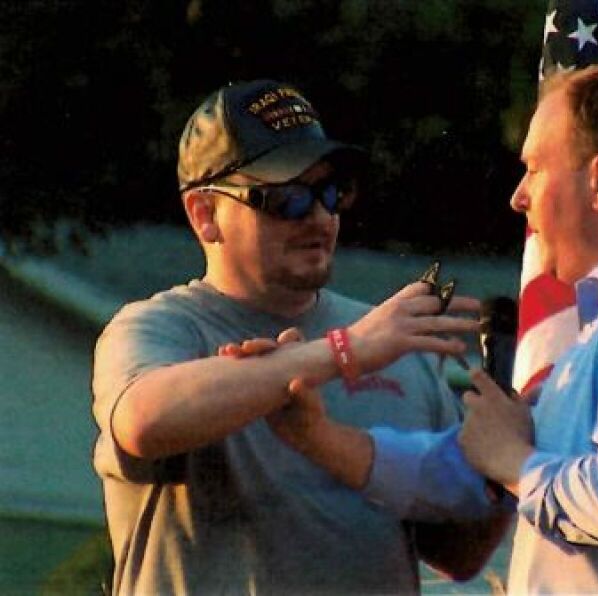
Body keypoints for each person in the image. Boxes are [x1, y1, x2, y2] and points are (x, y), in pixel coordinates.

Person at [256, 63, 598, 593]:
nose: (518, 196)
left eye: (534, 168)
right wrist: (317, 436)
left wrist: (513, 459)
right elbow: (467, 467)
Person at [91, 79, 506, 595]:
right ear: (204, 215)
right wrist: (342, 352)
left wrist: (513, 452)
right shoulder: (163, 327)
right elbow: (142, 421)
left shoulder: (394, 344)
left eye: (330, 192)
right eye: (285, 197)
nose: (318, 216)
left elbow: (458, 553)